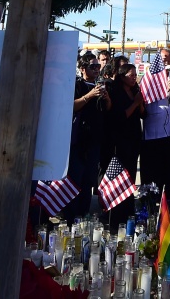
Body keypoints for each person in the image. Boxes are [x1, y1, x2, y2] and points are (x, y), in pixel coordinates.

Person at [60, 54, 111, 220]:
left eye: (98, 66)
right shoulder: (77, 84)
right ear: (82, 68)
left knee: (89, 179)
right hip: (78, 139)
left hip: (95, 139)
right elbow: (70, 106)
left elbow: (108, 109)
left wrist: (106, 98)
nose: (97, 69)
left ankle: (83, 212)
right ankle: (70, 215)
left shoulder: (100, 85)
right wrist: (89, 95)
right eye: (92, 67)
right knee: (75, 178)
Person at [141, 49, 170, 211]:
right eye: (163, 58)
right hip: (153, 132)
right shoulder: (149, 77)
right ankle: (151, 199)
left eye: (168, 58)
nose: (166, 60)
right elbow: (143, 98)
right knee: (153, 168)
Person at [103, 64, 143, 224]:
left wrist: (139, 102)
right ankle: (116, 214)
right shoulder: (117, 91)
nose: (134, 78)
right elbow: (119, 116)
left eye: (135, 75)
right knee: (120, 177)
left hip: (134, 139)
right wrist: (134, 103)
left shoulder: (134, 90)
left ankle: (128, 210)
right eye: (131, 75)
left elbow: (143, 114)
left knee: (131, 176)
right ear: (122, 76)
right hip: (120, 140)